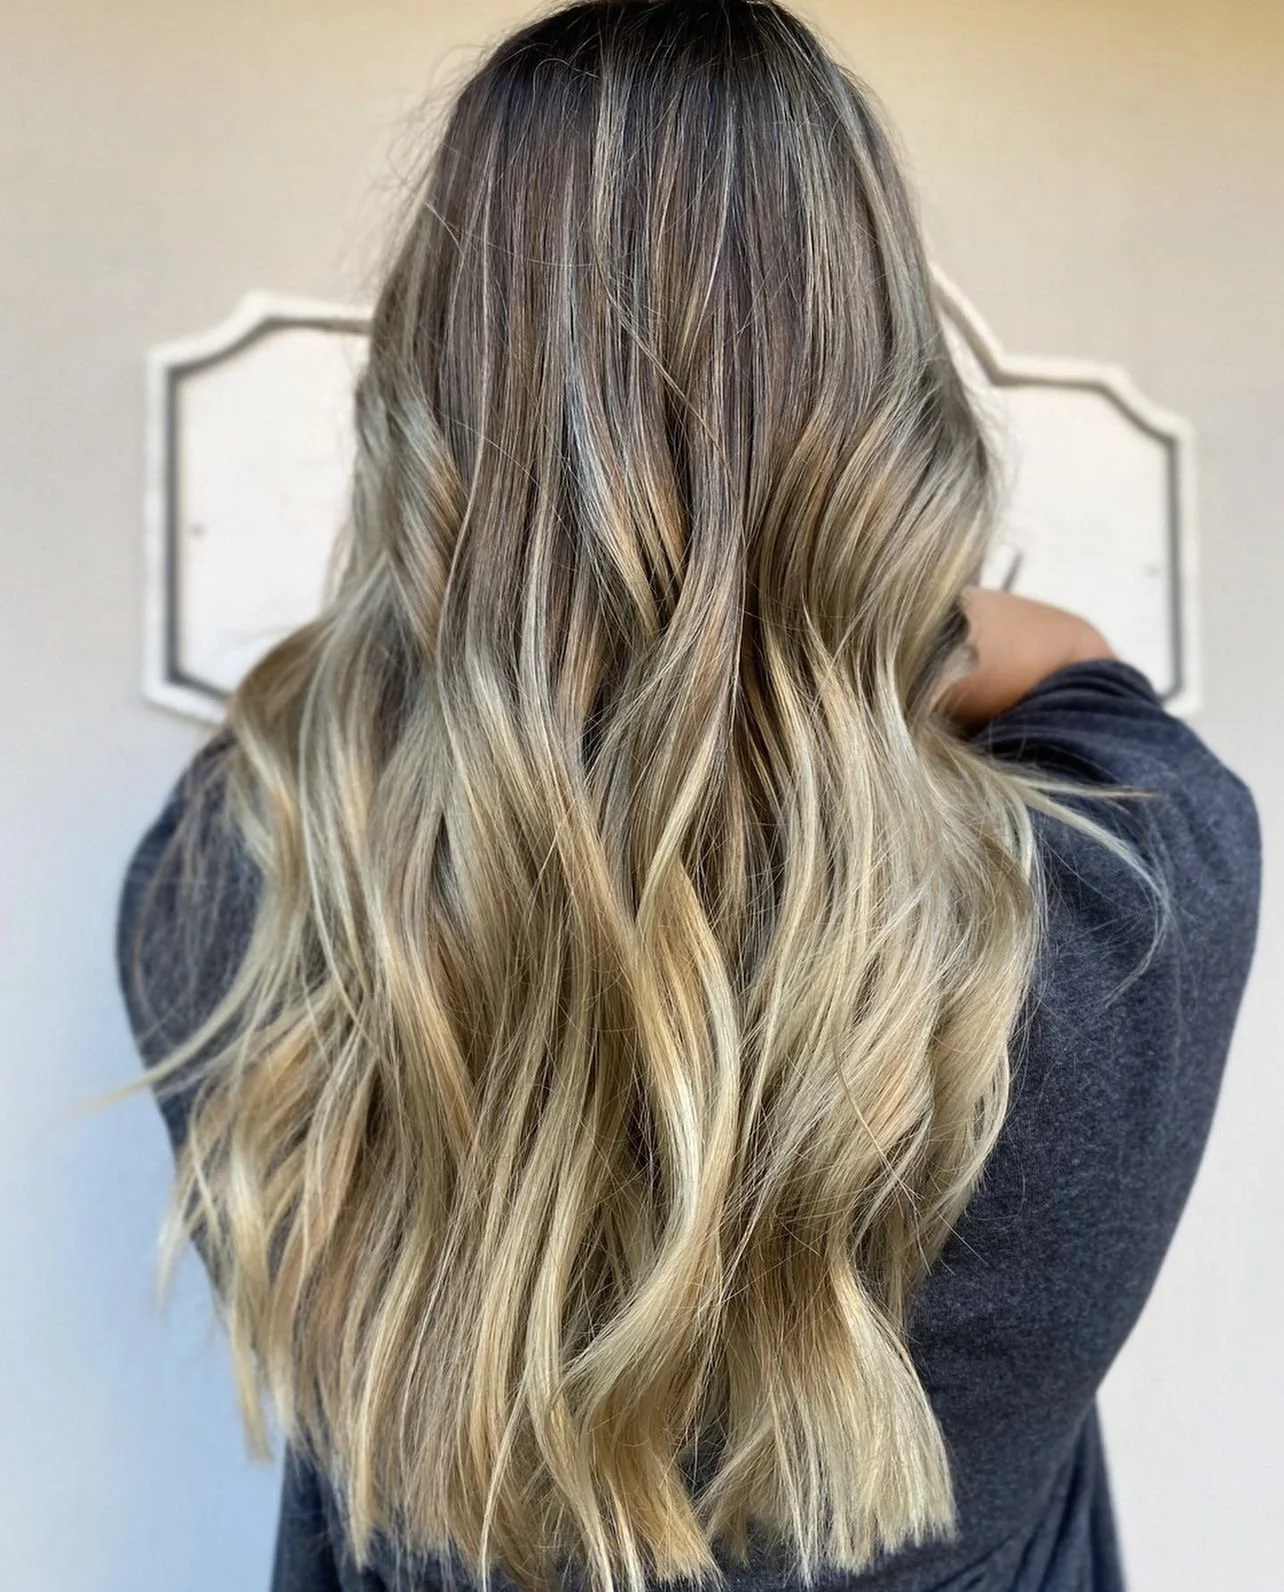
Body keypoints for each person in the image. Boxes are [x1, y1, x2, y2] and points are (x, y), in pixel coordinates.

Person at [112, 3, 1261, 1590]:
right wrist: (834, 620)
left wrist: (515, 612)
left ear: (433, 406)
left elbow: (353, 688)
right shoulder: (1135, 892)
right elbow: (1072, 664)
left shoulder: (223, 886)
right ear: (890, 408)